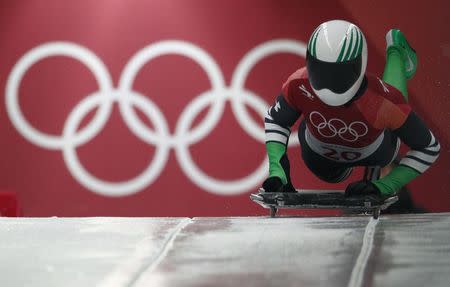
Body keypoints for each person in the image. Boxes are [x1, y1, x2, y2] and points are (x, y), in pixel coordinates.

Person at [263, 19, 440, 199]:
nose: (330, 84)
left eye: (339, 74)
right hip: (320, 154)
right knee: (331, 175)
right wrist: (277, 171)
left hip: (377, 151)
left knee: (391, 104)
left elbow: (429, 147)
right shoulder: (298, 84)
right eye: (321, 71)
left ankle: (396, 52)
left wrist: (385, 185)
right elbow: (276, 119)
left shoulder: (382, 101)